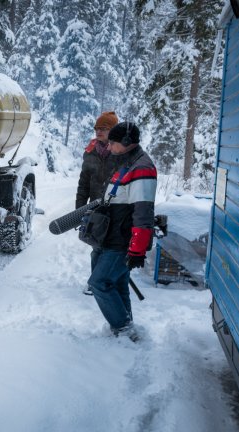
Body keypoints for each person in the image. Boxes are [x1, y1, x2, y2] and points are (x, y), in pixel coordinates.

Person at [88, 122, 156, 341]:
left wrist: (137, 249)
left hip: (122, 240)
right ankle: (127, 330)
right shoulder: (128, 161)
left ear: (126, 143)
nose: (108, 148)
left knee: (99, 282)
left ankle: (124, 330)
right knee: (117, 284)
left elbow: (143, 211)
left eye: (112, 143)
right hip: (111, 236)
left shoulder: (142, 168)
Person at [77, 111, 119, 295]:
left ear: (113, 130)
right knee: (96, 246)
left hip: (117, 208)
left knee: (113, 248)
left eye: (103, 128)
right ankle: (95, 281)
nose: (98, 131)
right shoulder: (90, 152)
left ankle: (110, 281)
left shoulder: (120, 152)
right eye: (97, 128)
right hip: (95, 208)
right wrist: (79, 210)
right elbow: (83, 183)